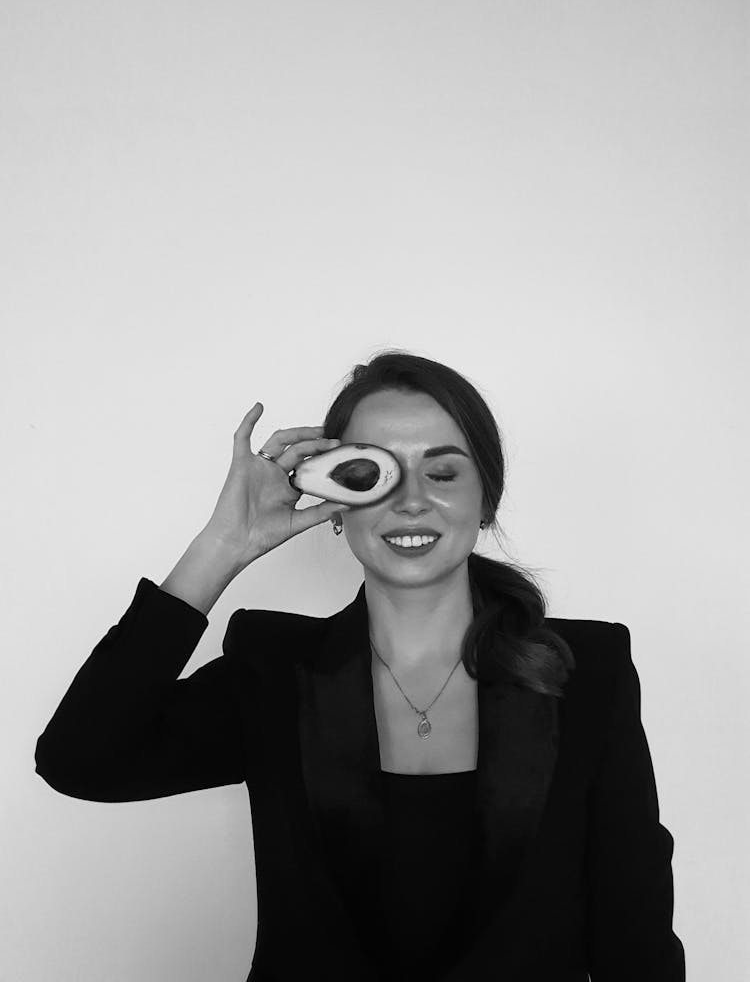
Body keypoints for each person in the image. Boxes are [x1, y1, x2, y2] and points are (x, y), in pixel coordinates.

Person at [35, 350, 686, 981]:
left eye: (443, 472)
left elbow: (637, 940)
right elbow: (81, 759)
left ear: (487, 497)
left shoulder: (586, 670)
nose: (410, 501)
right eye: (372, 474)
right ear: (338, 501)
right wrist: (223, 545)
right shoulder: (273, 669)